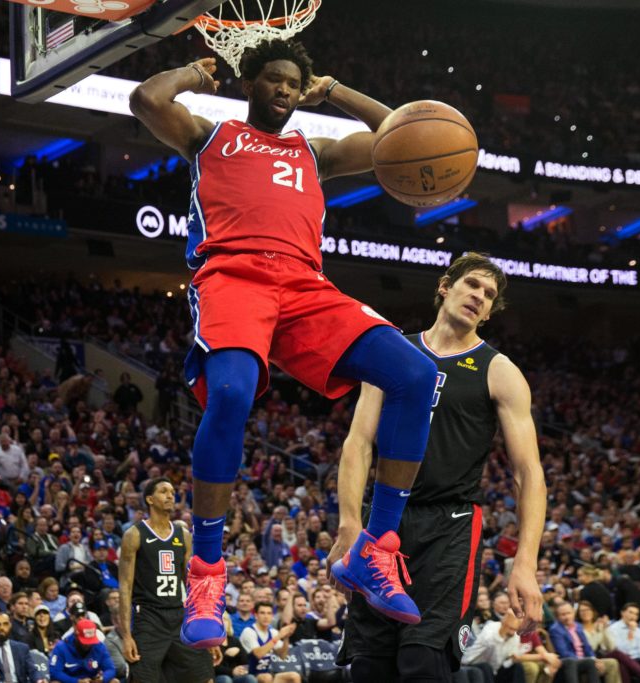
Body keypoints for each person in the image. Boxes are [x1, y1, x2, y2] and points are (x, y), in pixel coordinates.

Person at [129, 40, 438, 647]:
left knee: (416, 374)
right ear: (251, 85)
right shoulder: (210, 136)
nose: (284, 91)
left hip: (304, 285)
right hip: (233, 276)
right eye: (273, 80)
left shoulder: (314, 152)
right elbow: (145, 100)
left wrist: (337, 91)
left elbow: (398, 137)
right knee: (232, 394)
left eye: (294, 84)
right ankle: (207, 574)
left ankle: (375, 549)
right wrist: (192, 74)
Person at [334, 253, 546, 681]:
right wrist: (349, 523)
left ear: (488, 314)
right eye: (472, 285)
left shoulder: (499, 371)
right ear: (445, 286)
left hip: (450, 526)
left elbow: (528, 474)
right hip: (383, 521)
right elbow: (358, 443)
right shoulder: (392, 352)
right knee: (370, 664)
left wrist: (525, 563)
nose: (480, 296)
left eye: (489, 295)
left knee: (423, 661)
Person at [117, 477, 215, 682]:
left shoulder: (183, 534)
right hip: (149, 617)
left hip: (179, 614)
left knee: (204, 676)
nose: (171, 496)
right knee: (143, 678)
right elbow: (125, 587)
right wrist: (126, 636)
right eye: (164, 491)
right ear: (150, 499)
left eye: (172, 492)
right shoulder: (134, 534)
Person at [549, 603, 618, 683]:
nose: (567, 617)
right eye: (563, 615)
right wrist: (586, 660)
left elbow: (587, 647)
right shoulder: (556, 630)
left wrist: (594, 659)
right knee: (588, 662)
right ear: (557, 617)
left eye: (569, 613)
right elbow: (564, 653)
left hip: (584, 660)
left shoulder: (578, 626)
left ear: (573, 613)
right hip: (569, 662)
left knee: (610, 662)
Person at [239, 603, 297, 683]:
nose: (266, 616)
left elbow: (283, 656)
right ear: (256, 615)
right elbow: (258, 654)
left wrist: (286, 637)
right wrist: (279, 636)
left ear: (272, 616)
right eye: (262, 613)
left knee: (294, 676)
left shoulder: (273, 632)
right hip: (246, 674)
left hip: (265, 674)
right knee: (267, 677)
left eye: (269, 613)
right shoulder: (249, 631)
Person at [49, 620, 119, 683]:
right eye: (85, 642)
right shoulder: (61, 647)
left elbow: (110, 669)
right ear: (76, 635)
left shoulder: (99, 646)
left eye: (91, 641)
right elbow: (54, 672)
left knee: (114, 681)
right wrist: (77, 681)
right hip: (70, 680)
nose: (88, 645)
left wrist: (103, 678)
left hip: (92, 680)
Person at [0, 613, 37, 683]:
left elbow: (32, 671)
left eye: (5, 624)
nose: (2, 628)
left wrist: (39, 680)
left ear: (10, 625)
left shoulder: (22, 648)